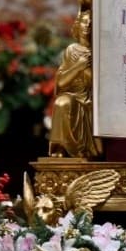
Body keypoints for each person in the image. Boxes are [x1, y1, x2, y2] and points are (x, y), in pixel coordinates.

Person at [48, 10, 102, 159]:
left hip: (92, 98)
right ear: (77, 26)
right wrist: (79, 66)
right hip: (73, 95)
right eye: (84, 22)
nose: (87, 26)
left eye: (91, 24)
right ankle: (61, 147)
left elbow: (100, 82)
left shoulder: (99, 51)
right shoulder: (72, 50)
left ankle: (86, 151)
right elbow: (61, 81)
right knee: (61, 103)